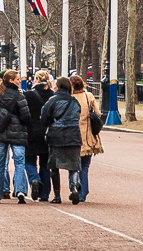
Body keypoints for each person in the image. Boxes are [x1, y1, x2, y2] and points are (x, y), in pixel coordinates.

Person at [0, 70, 31, 204]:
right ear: (11, 80)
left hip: (1, 132)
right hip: (18, 133)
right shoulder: (20, 95)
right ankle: (20, 190)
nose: (19, 81)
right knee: (19, 163)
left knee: (0, 164)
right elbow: (25, 116)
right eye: (17, 79)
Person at [41, 77, 82, 205]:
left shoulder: (52, 100)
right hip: (74, 135)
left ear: (57, 87)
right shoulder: (74, 101)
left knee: (54, 166)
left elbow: (44, 117)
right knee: (73, 166)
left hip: (57, 136)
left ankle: (57, 196)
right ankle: (74, 187)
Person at [70, 75, 103, 203]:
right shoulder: (88, 96)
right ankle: (83, 192)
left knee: (73, 166)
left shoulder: (70, 97)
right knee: (85, 167)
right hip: (89, 136)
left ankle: (74, 187)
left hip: (73, 135)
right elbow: (98, 113)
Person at [24, 70, 54, 202]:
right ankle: (44, 193)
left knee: (29, 160)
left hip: (31, 130)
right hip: (47, 131)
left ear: (36, 79)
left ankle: (34, 178)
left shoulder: (28, 94)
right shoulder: (52, 95)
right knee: (45, 164)